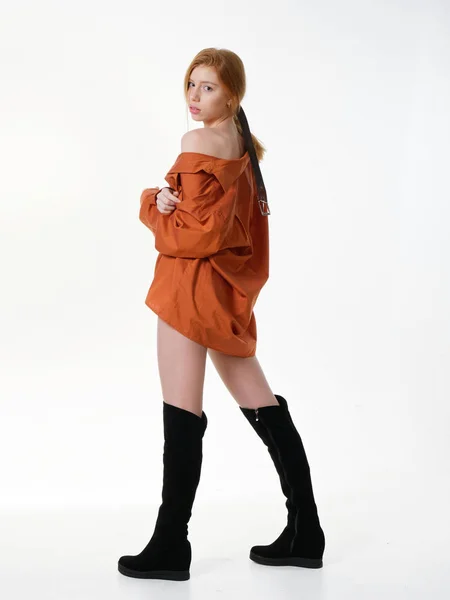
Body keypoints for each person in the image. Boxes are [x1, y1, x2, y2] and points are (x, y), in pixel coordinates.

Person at [118, 47, 325, 581]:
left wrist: (149, 203)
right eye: (191, 84)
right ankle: (306, 528)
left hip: (187, 289)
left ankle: (171, 543)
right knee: (263, 403)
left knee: (182, 413)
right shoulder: (242, 145)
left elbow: (194, 234)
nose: (194, 96)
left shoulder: (196, 141)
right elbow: (218, 224)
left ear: (231, 93)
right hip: (224, 293)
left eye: (207, 87)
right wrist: (170, 201)